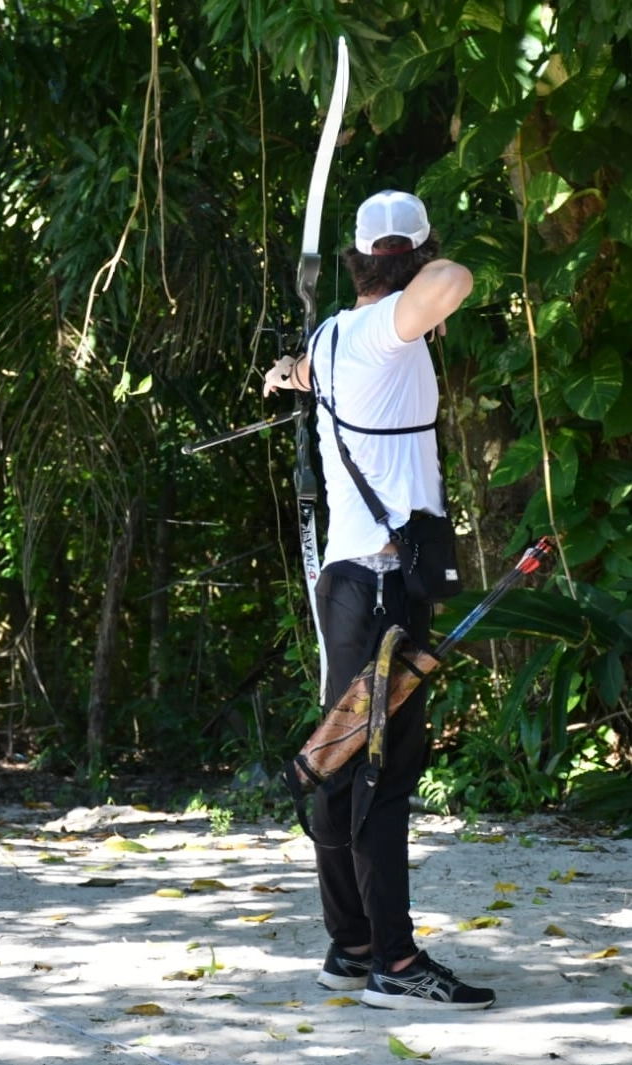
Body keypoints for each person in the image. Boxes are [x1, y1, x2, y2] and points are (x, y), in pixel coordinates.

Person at [263, 189, 494, 1010]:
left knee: (338, 759)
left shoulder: (332, 336)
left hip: (352, 584)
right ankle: (393, 965)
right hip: (383, 584)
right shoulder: (386, 329)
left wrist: (285, 374)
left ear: (358, 256)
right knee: (381, 770)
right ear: (410, 258)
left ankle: (350, 944)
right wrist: (429, 270)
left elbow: (301, 371)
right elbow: (453, 282)